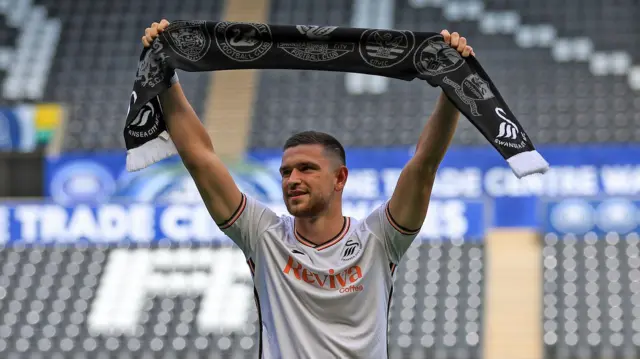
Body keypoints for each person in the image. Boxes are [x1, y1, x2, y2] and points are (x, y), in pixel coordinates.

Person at [142, 19, 475, 359]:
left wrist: (452, 84)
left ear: (340, 178)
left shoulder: (378, 240)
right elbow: (200, 159)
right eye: (286, 171)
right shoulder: (264, 236)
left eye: (307, 169)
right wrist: (166, 73)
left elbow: (424, 164)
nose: (292, 179)